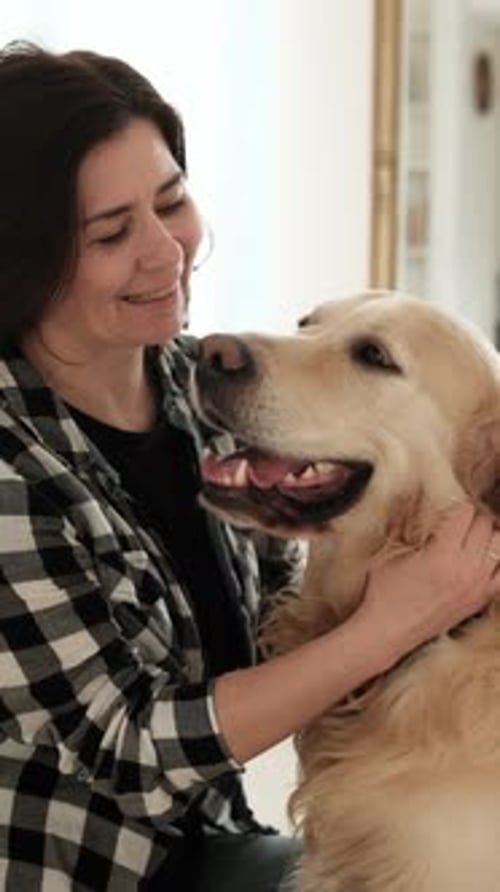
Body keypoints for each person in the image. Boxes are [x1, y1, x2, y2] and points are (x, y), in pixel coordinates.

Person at [0, 41, 499, 892]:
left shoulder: (191, 387)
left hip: (217, 847)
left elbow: (284, 606)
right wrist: (391, 626)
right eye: (114, 232)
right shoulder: (13, 462)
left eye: (172, 201)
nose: (166, 252)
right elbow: (130, 750)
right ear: (26, 258)